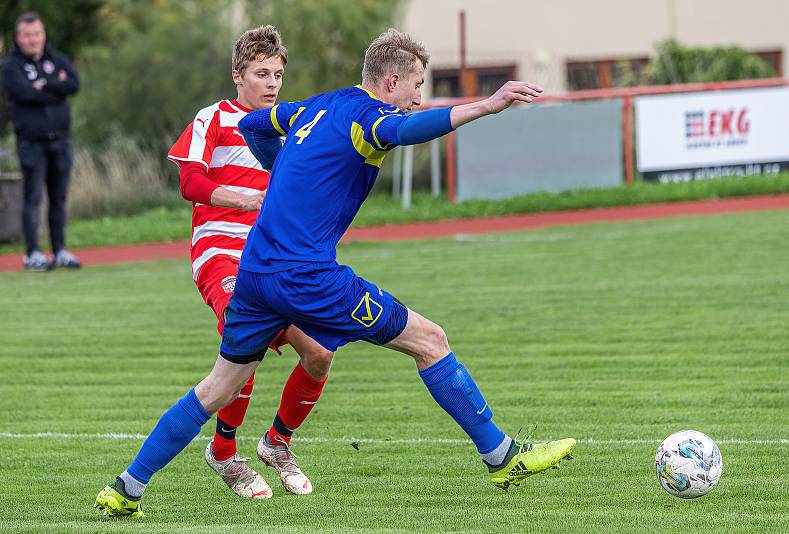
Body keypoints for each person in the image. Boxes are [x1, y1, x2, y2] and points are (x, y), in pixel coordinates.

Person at [96, 28, 575, 519]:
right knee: (430, 340)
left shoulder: (315, 106)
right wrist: (486, 106)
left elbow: (256, 126)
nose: (418, 95)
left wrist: (284, 172)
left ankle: (126, 488)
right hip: (307, 277)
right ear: (391, 81)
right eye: (416, 85)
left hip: (256, 274)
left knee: (217, 387)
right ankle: (502, 457)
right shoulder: (370, 118)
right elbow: (409, 130)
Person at [166, 26, 331, 499]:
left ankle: (277, 443)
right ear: (238, 75)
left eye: (278, 74)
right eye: (262, 73)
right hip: (220, 252)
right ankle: (223, 451)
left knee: (320, 352)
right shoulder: (213, 118)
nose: (273, 83)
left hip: (272, 255)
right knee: (249, 337)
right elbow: (190, 183)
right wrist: (245, 198)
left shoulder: (290, 129)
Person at [1, 12, 81, 271]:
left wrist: (43, 84)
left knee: (58, 198)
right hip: (31, 143)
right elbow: (23, 93)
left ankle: (59, 251)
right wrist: (54, 89)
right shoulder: (11, 66)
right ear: (18, 37)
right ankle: (33, 253)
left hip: (61, 141)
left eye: (36, 34)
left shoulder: (57, 60)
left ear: (43, 35)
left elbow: (73, 84)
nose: (33, 40)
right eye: (27, 35)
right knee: (33, 198)